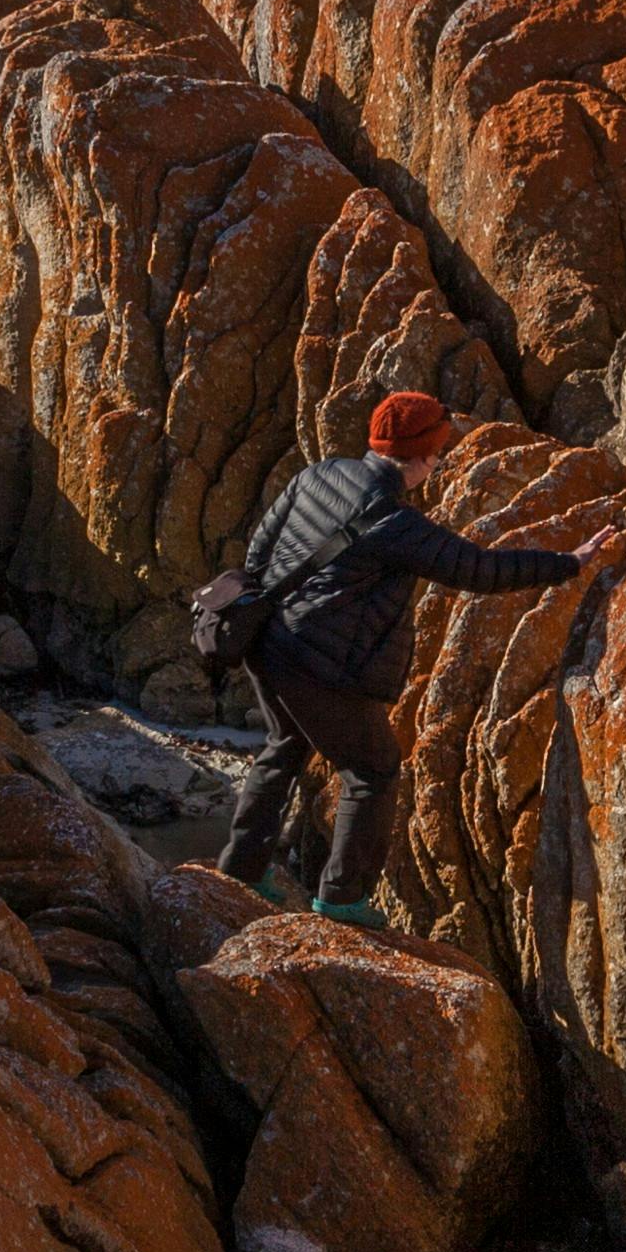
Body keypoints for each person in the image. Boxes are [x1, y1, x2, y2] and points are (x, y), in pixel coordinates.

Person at [218, 389, 584, 927]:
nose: (437, 465)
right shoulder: (394, 522)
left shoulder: (316, 475)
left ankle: (242, 870)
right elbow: (477, 570)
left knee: (284, 746)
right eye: (437, 454)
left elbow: (258, 551)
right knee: (373, 770)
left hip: (266, 644)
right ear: (421, 457)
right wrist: (568, 562)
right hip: (319, 669)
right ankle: (342, 901)